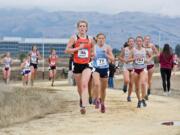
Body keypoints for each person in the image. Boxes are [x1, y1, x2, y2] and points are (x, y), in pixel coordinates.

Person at [65, 20, 94, 114]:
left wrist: (92, 55)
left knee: (85, 84)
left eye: (84, 26)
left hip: (87, 64)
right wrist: (78, 48)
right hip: (77, 64)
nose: (82, 28)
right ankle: (82, 98)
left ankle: (83, 106)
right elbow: (67, 50)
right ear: (78, 28)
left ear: (87, 28)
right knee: (79, 86)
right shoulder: (74, 38)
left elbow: (93, 50)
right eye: (80, 26)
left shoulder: (90, 39)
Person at [92, 33, 114, 113]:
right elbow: (90, 56)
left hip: (105, 69)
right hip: (96, 68)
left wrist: (106, 55)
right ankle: (97, 99)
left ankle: (103, 103)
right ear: (97, 39)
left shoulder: (107, 47)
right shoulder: (93, 47)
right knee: (97, 84)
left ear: (105, 39)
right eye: (99, 38)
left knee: (103, 89)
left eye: (103, 38)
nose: (101, 40)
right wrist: (92, 56)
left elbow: (113, 59)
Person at [132, 36, 151, 108]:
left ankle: (143, 98)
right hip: (136, 69)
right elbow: (129, 59)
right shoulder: (133, 50)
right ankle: (139, 100)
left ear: (142, 42)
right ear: (136, 42)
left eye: (140, 41)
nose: (139, 42)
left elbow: (150, 56)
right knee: (137, 87)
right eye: (137, 41)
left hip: (143, 68)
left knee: (143, 83)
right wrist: (134, 58)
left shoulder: (145, 50)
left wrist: (147, 60)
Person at [119, 37, 135, 101]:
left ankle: (129, 96)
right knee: (127, 80)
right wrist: (124, 60)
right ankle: (125, 85)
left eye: (132, 41)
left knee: (131, 83)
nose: (131, 42)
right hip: (126, 67)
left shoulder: (136, 50)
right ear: (128, 43)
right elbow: (120, 57)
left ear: (134, 43)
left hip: (133, 67)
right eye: (130, 41)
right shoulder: (125, 49)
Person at [143, 35, 159, 100]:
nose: (147, 40)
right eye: (146, 39)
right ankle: (145, 93)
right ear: (144, 40)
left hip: (151, 64)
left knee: (149, 79)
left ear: (150, 40)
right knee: (145, 79)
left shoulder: (152, 46)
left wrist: (152, 56)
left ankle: (149, 89)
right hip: (143, 64)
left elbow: (158, 54)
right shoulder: (141, 46)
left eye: (148, 39)